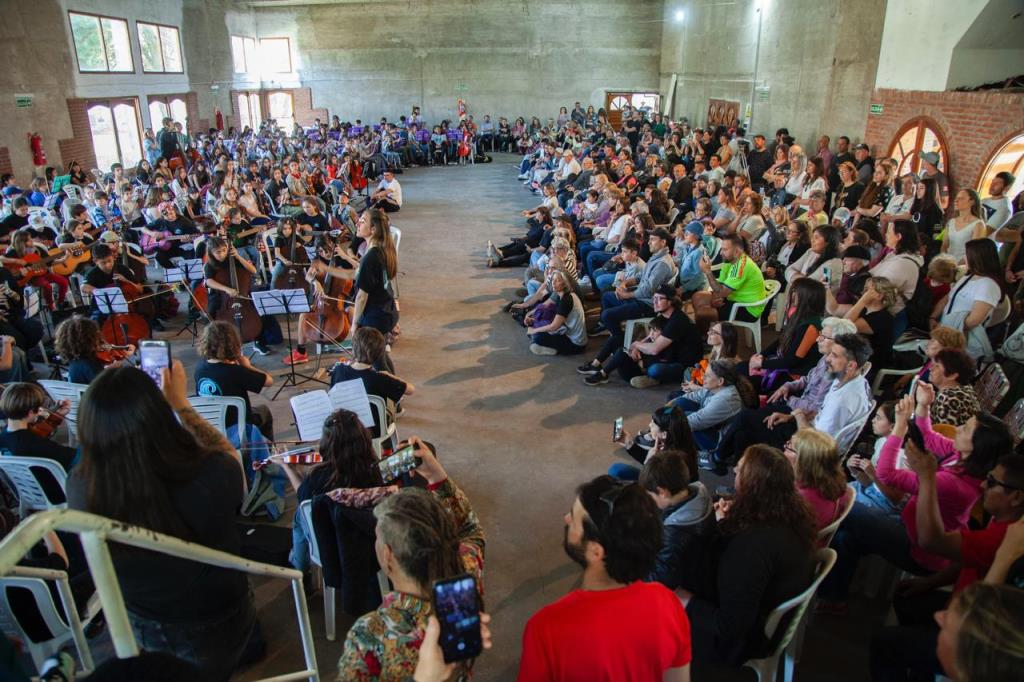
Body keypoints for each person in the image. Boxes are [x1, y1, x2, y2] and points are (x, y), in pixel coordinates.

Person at [66, 362, 262, 681]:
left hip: (141, 615)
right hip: (214, 613)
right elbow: (234, 465)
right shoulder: (207, 475)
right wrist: (181, 403)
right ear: (159, 417)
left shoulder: (79, 487)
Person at [819, 384, 1010, 612]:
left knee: (841, 502)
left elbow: (887, 475)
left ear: (978, 446)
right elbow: (928, 438)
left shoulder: (954, 483)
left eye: (966, 429)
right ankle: (834, 597)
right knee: (845, 537)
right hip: (908, 523)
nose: (958, 429)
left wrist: (899, 427)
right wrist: (924, 406)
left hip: (917, 547)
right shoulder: (961, 457)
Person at [337, 438, 486, 681]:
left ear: (388, 555)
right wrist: (436, 475)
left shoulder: (369, 635)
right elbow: (471, 531)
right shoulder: (463, 582)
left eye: (378, 536)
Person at [517, 475, 692, 681]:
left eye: (574, 518)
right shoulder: (668, 604)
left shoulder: (546, 628)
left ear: (596, 551)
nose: (566, 519)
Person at [869, 454, 1024, 682]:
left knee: (884, 643)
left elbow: (930, 540)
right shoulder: (1003, 521)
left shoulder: (1006, 537)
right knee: (906, 598)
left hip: (969, 629)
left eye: (992, 482)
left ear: (1017, 497)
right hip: (959, 603)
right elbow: (968, 559)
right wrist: (931, 583)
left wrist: (927, 477)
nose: (983, 485)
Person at [678, 445, 816, 670]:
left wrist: (684, 599)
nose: (734, 470)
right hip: (762, 607)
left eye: (740, 469)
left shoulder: (752, 546)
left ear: (753, 485)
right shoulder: (789, 514)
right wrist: (724, 520)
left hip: (736, 642)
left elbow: (730, 626)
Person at [712, 317, 859, 471]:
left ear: (838, 343)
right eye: (820, 334)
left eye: (824, 337)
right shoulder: (825, 358)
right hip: (797, 409)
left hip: (802, 423)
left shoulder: (837, 373)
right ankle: (739, 471)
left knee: (745, 417)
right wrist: (787, 386)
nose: (818, 339)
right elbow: (807, 379)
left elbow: (816, 407)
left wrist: (791, 401)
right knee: (742, 434)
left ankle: (718, 457)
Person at [280, 408, 384, 573]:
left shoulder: (318, 476)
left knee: (300, 515)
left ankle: (299, 566)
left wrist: (288, 469)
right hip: (368, 541)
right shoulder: (374, 467)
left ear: (327, 443)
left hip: (331, 547)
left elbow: (303, 498)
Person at [581, 284, 702, 388]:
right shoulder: (663, 316)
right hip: (665, 354)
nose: (654, 302)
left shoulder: (677, 321)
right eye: (654, 298)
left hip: (683, 364)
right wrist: (636, 347)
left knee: (655, 370)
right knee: (616, 340)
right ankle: (596, 365)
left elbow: (655, 349)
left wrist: (636, 345)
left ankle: (650, 377)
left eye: (659, 299)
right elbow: (650, 337)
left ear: (670, 301)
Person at [639, 450, 715, 589]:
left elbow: (658, 580)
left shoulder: (675, 536)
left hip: (684, 584)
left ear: (662, 492)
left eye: (650, 496)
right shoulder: (699, 494)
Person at [194, 321, 274, 441]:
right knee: (264, 411)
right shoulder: (236, 372)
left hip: (210, 426)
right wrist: (247, 366)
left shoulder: (200, 368)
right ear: (233, 344)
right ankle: (263, 450)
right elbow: (269, 381)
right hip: (237, 427)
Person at [937, 238, 1006, 361]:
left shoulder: (989, 285)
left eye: (967, 254)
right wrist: (934, 317)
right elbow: (949, 297)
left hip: (962, 342)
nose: (964, 257)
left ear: (977, 258)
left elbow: (974, 320)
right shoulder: (969, 276)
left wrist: (948, 332)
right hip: (947, 335)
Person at [694, 234, 767, 328]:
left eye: (725, 250)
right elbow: (720, 285)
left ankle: (706, 334)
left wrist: (708, 271)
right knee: (697, 297)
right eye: (721, 249)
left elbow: (721, 292)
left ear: (737, 251)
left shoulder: (742, 266)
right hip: (733, 297)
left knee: (701, 313)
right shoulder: (729, 261)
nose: (721, 253)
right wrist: (717, 298)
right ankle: (708, 330)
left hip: (748, 308)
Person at [787, 428, 849, 531]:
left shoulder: (799, 498)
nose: (784, 448)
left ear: (803, 461)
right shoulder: (833, 480)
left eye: (789, 448)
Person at [352, 208, 399, 337]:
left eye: (362, 221)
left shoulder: (370, 257)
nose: (357, 223)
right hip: (387, 311)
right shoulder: (382, 249)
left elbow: (361, 297)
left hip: (375, 319)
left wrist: (354, 325)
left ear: (373, 230)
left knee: (364, 349)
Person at [525, 268, 589, 356]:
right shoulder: (562, 295)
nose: (554, 283)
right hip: (567, 332)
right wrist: (532, 318)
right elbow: (548, 309)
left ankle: (553, 350)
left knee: (538, 336)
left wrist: (534, 330)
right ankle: (543, 345)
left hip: (576, 344)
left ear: (565, 283)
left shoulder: (566, 300)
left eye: (558, 280)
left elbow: (554, 326)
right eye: (553, 280)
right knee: (538, 324)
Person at [54, 315, 132, 385]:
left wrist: (108, 369)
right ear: (89, 339)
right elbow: (105, 386)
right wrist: (113, 370)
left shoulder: (75, 363)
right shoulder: (89, 364)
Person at [926, 348, 979, 427]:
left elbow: (941, 433)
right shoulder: (964, 388)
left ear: (952, 375)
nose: (931, 368)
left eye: (937, 366)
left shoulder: (948, 400)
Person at [941, 189, 987, 264]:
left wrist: (957, 265)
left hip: (964, 265)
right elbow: (944, 245)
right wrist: (944, 260)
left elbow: (973, 252)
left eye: (961, 198)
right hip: (947, 262)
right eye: (956, 198)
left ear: (972, 202)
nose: (956, 201)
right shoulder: (951, 221)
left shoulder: (978, 224)